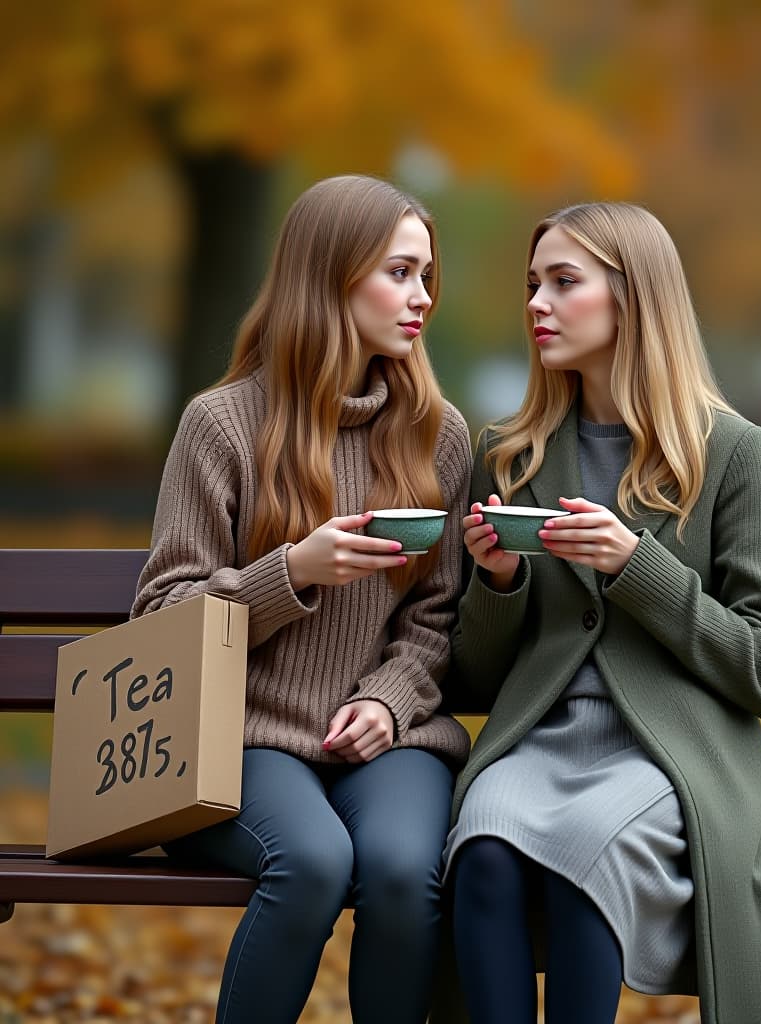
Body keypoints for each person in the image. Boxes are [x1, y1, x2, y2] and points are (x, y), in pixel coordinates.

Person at [441, 202, 761, 1024]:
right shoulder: (509, 453)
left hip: (671, 755)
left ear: (633, 300)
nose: (536, 305)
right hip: (537, 742)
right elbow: (474, 677)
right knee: (479, 847)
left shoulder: (731, 453)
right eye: (531, 284)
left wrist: (637, 566)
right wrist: (500, 583)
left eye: (563, 282)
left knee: (586, 852)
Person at [131, 174, 472, 1024]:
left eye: (427, 275)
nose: (421, 296)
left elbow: (436, 617)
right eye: (399, 272)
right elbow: (161, 618)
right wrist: (294, 573)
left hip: (386, 741)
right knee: (313, 861)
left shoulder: (440, 435)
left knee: (403, 871)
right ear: (330, 275)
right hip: (238, 737)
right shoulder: (222, 426)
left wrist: (391, 703)